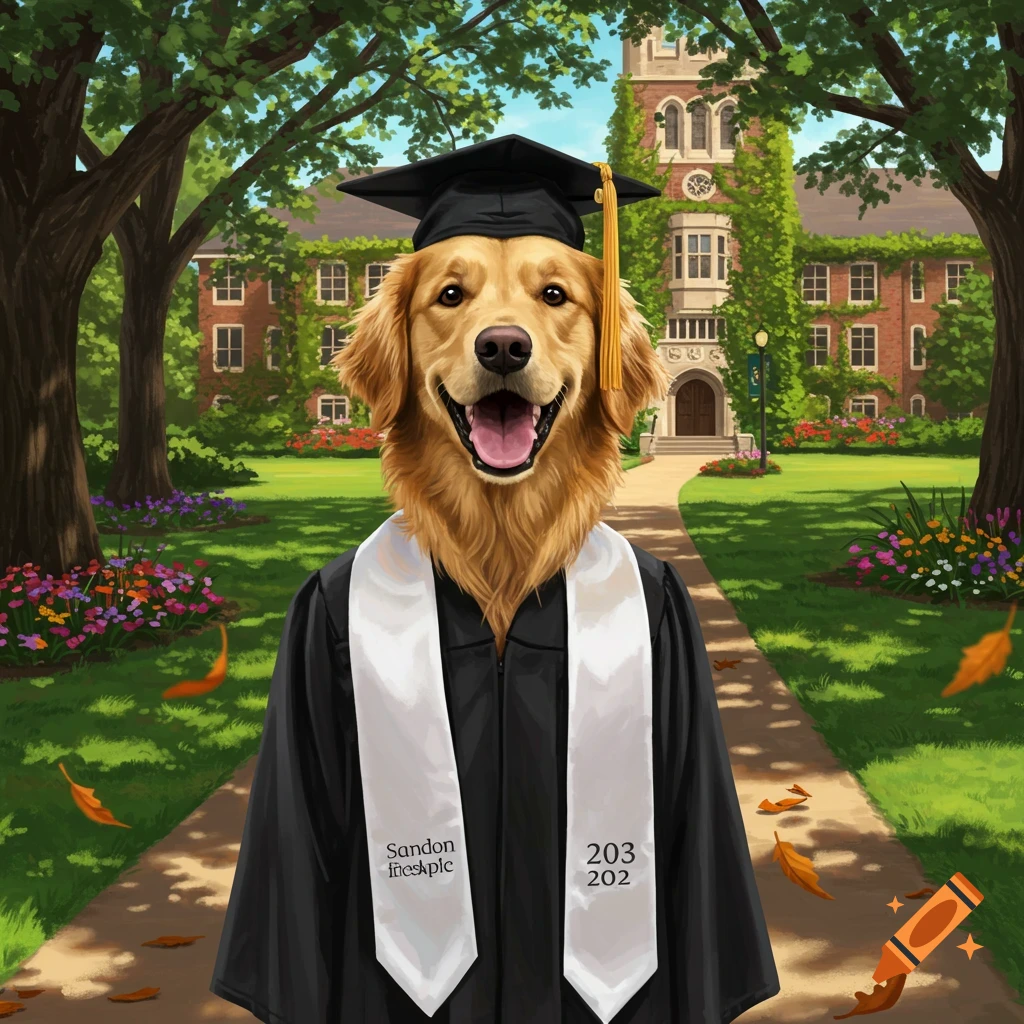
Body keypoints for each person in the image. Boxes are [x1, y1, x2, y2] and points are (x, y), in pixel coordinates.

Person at [211, 135, 779, 1024]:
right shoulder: (337, 613)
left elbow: (692, 849)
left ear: (608, 361)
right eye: (453, 297)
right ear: (397, 356)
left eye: (554, 298)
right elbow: (296, 859)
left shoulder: (651, 607)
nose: (502, 334)